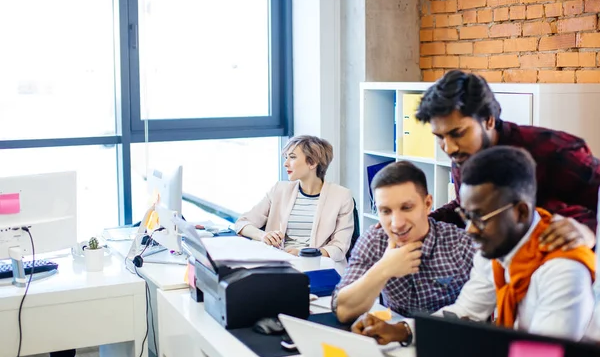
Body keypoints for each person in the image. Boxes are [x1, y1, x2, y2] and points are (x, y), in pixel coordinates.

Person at [352, 147, 596, 345]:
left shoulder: (561, 270)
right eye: (466, 216)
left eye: (479, 217)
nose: (469, 229)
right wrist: (402, 330)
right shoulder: (496, 250)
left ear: (520, 212)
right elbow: (467, 311)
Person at [415, 69, 600, 246]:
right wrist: (421, 224)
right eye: (440, 137)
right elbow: (467, 207)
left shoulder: (553, 150)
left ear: (488, 120)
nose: (449, 148)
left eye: (458, 133)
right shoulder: (463, 154)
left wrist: (589, 230)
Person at [333, 161, 476, 323]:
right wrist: (384, 269)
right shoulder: (375, 241)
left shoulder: (461, 244)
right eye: (386, 211)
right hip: (393, 341)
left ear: (427, 204)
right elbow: (342, 311)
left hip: (453, 340)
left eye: (407, 208)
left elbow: (478, 313)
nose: (397, 223)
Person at [234, 135, 354, 262]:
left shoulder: (341, 196)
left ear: (312, 162)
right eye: (286, 158)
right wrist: (263, 236)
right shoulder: (279, 190)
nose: (286, 164)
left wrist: (304, 254)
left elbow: (339, 248)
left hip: (318, 265)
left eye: (292, 157)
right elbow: (242, 223)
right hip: (279, 263)